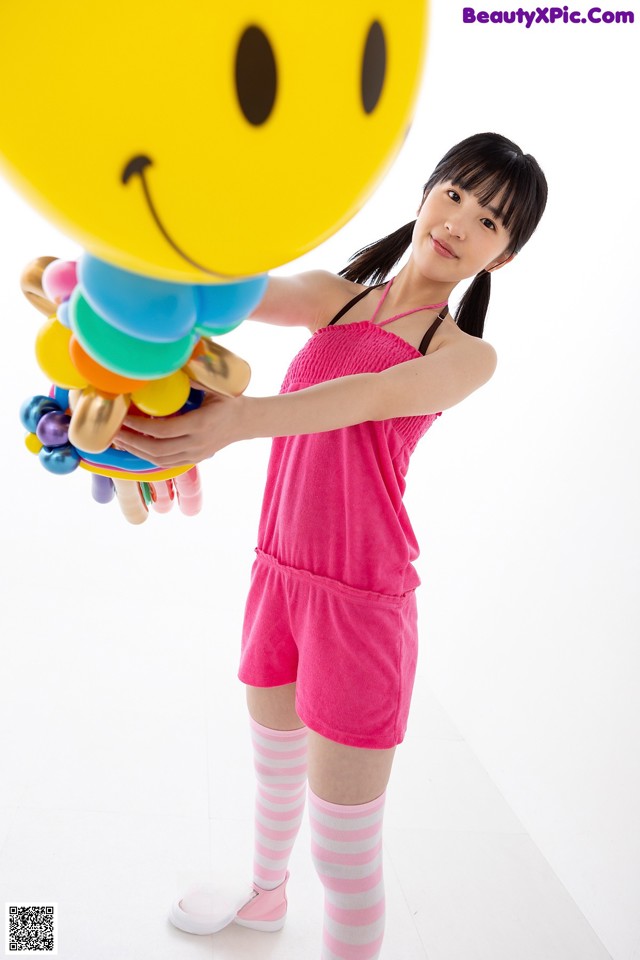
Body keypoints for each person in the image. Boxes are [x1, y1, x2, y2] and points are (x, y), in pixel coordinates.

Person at [115, 132, 548, 958]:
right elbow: (234, 293)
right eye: (455, 193)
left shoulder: (462, 355)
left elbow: (370, 395)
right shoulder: (336, 298)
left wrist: (240, 423)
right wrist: (157, 253)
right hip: (279, 575)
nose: (460, 222)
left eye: (490, 220)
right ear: (427, 191)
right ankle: (265, 899)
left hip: (361, 605)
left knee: (344, 856)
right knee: (274, 779)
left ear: (506, 253)